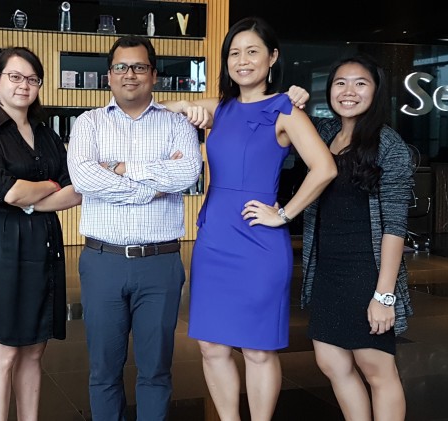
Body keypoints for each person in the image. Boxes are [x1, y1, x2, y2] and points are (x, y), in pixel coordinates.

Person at [161, 16, 337, 420]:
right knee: (211, 345)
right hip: (214, 238)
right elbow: (158, 111)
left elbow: (325, 167)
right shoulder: (219, 108)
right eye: (234, 53)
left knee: (257, 349)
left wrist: (284, 213)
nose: (242, 61)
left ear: (272, 57)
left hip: (259, 242)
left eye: (252, 51)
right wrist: (187, 106)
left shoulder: (285, 109)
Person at [66, 36, 203, 420]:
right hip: (103, 262)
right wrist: (152, 188)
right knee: (103, 371)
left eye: (139, 67)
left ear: (153, 75)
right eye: (121, 67)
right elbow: (84, 178)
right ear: (109, 76)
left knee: (156, 370)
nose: (130, 74)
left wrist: (120, 169)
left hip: (160, 263)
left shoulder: (176, 124)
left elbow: (187, 173)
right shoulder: (88, 123)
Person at [0, 46, 81, 421]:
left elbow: (75, 190)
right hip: (3, 246)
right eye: (15, 77)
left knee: (34, 349)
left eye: (32, 79)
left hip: (44, 243)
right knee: (4, 351)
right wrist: (48, 186)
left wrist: (32, 198)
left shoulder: (46, 133)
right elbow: (6, 191)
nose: (23, 85)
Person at [300, 54, 414, 421]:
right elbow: (276, 119)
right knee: (331, 361)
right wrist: (291, 98)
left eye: (360, 83)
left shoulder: (388, 144)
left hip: (367, 271)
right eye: (340, 83)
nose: (349, 91)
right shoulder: (324, 133)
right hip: (327, 269)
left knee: (376, 368)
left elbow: (395, 226)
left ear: (376, 91)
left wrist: (384, 295)